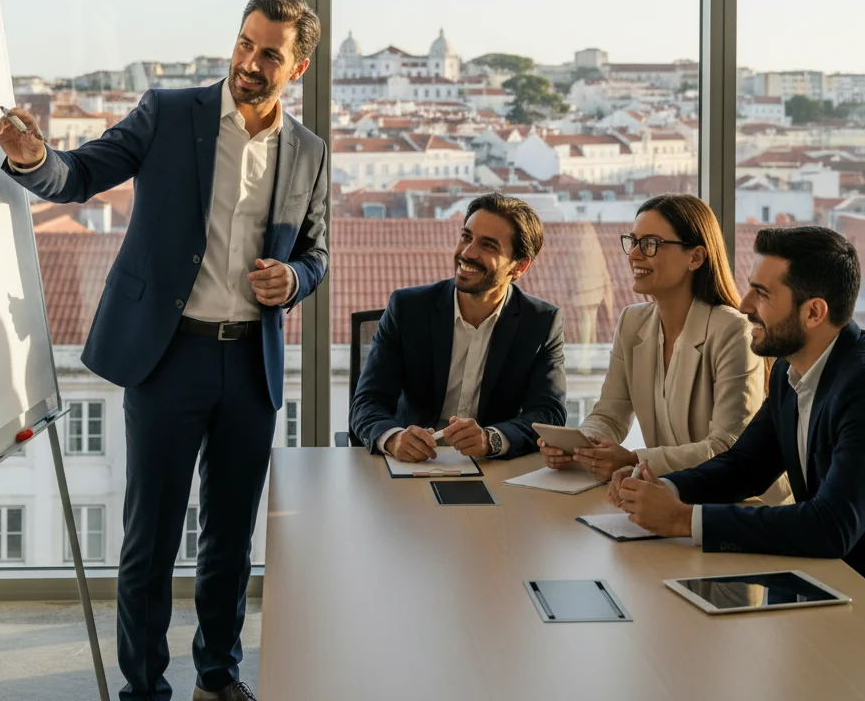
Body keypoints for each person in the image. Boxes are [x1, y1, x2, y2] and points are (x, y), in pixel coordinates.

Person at [0, 0, 328, 701]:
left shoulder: (308, 152)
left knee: (230, 544)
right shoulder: (171, 114)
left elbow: (318, 254)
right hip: (166, 358)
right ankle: (143, 689)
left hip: (250, 364)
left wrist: (291, 278)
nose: (249, 62)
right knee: (151, 542)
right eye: (244, 43)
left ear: (296, 66)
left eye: (270, 53)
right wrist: (35, 159)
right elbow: (80, 174)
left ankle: (219, 677)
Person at [612, 226, 865, 576]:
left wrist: (684, 519)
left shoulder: (859, 385)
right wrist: (662, 487)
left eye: (761, 294)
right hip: (828, 581)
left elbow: (832, 525)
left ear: (813, 313)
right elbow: (746, 466)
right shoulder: (788, 372)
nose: (745, 305)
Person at [540, 194, 775, 490]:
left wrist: (633, 460)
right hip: (668, 494)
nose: (634, 255)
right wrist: (581, 446)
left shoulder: (733, 331)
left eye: (650, 244)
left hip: (740, 504)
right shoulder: (632, 322)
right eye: (633, 241)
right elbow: (609, 414)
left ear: (696, 257)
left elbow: (727, 448)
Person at [349, 193, 566, 462]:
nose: (467, 252)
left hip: (491, 467)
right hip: (412, 464)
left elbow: (549, 413)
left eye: (488, 245)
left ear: (520, 266)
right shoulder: (408, 308)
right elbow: (367, 402)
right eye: (466, 237)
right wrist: (393, 438)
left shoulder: (541, 322)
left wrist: (492, 439)